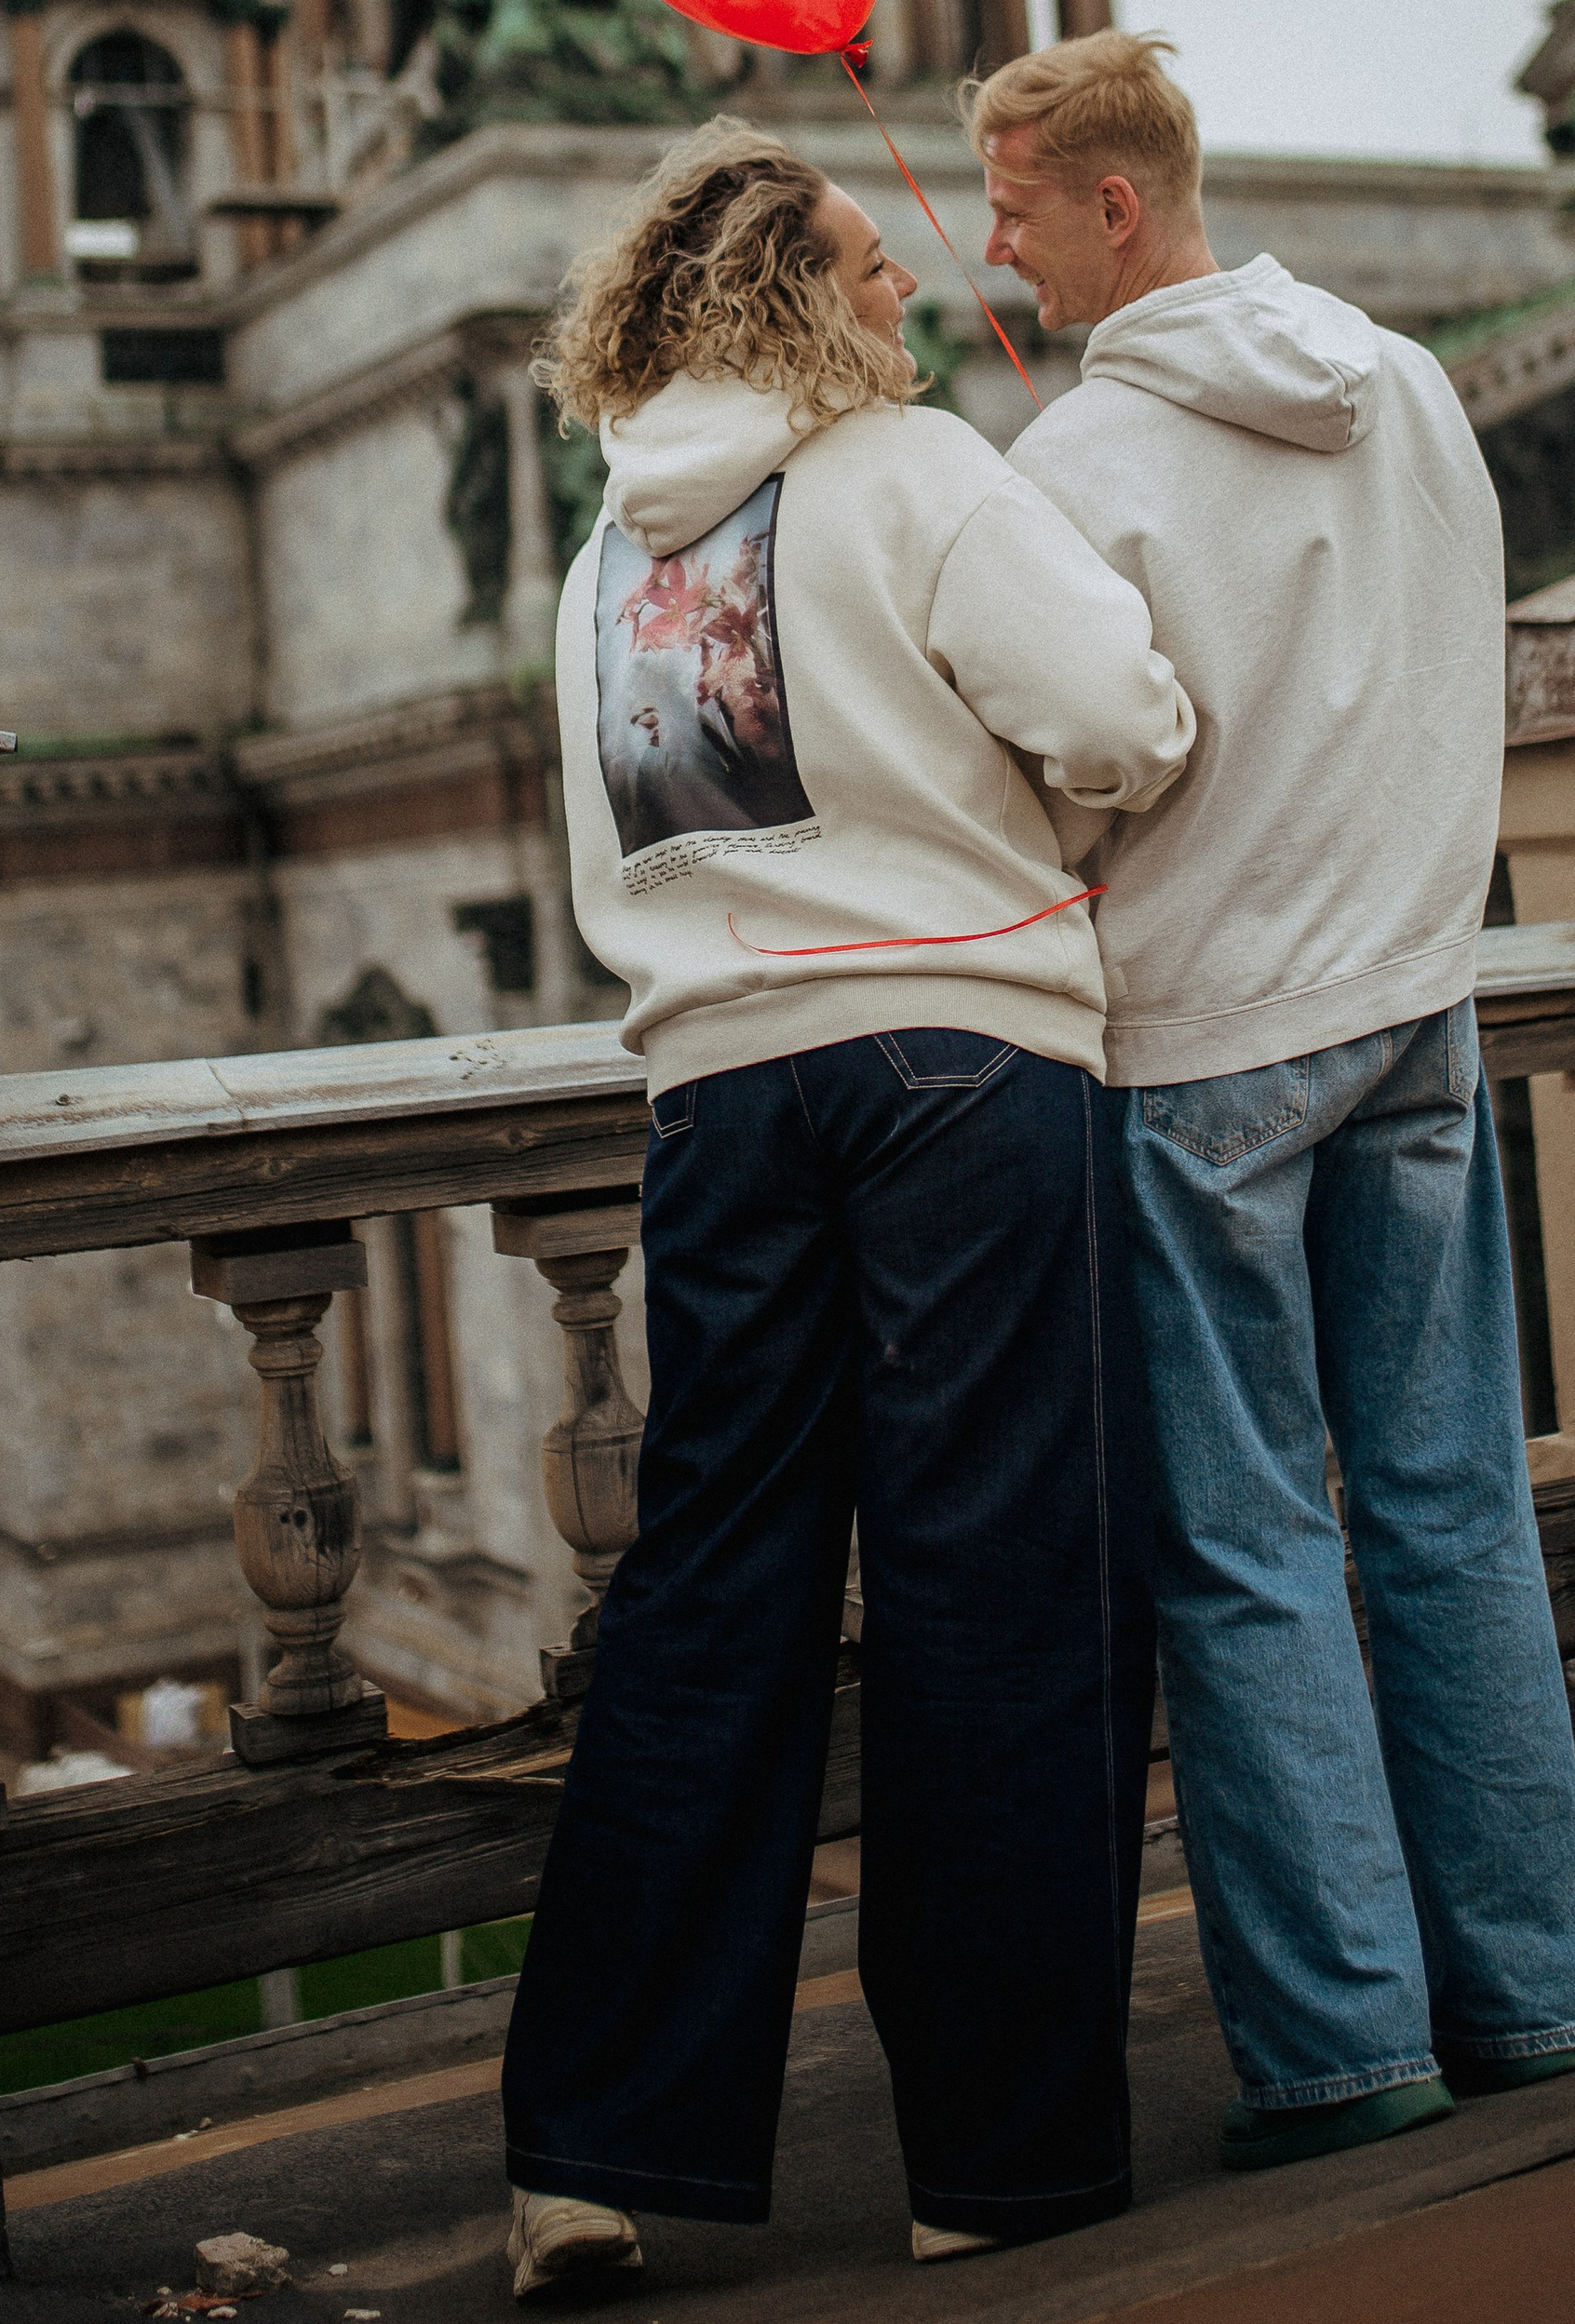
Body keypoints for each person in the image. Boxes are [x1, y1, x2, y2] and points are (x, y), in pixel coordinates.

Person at [498, 116, 1194, 2293]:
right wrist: (1076, 792)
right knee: (997, 1586)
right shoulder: (908, 473)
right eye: (866, 262)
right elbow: (1117, 711)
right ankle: (995, 2156)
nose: (909, 285)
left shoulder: (597, 565)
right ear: (791, 299)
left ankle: (589, 2149)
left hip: (716, 1089)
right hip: (957, 1061)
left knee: (708, 1591)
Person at [970, 31, 1575, 2175]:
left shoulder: (1073, 460)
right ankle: (1523, 1991)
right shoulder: (1402, 382)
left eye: (1015, 211)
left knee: (1245, 1544)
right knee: (1450, 1497)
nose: (995, 249)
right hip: (1414, 1007)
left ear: (1112, 205)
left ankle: (1342, 2047)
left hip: (1202, 1047)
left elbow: (1068, 773)